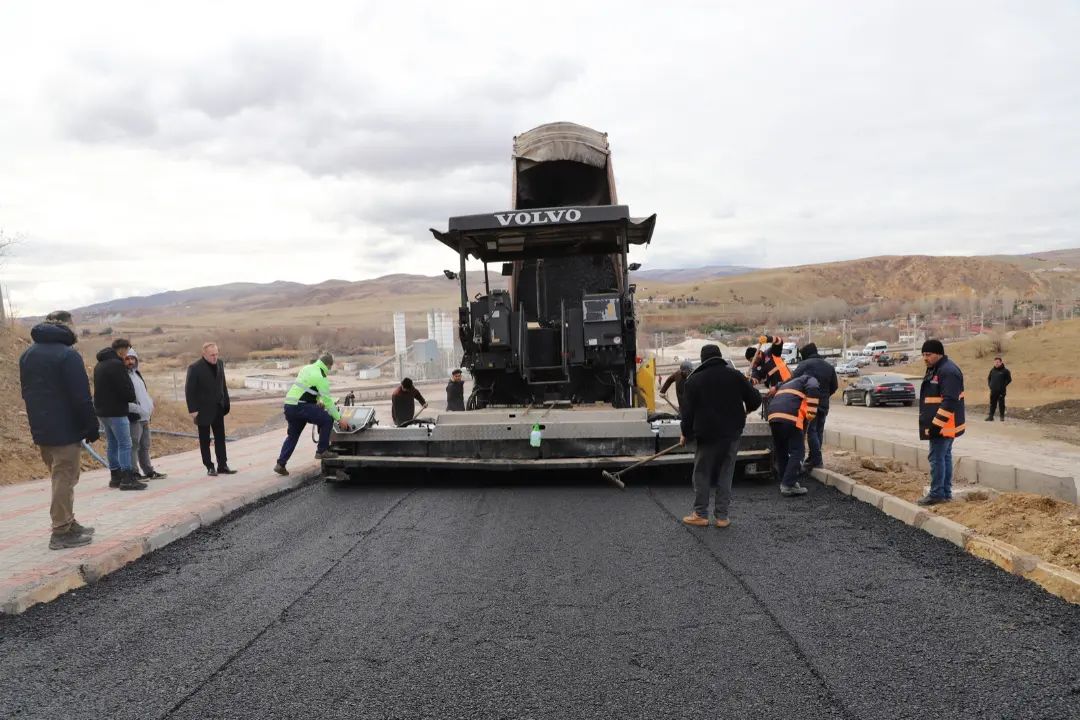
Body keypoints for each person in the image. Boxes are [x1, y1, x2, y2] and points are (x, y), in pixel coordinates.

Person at [19, 311, 100, 549]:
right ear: (67, 327)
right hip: (65, 428)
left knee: (61, 476)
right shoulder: (67, 355)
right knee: (64, 478)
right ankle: (61, 531)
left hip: (42, 428)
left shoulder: (28, 354)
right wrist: (91, 425)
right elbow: (81, 396)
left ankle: (69, 522)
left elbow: (27, 392)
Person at [678, 344, 762, 527]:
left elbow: (687, 413)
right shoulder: (735, 376)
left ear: (702, 360)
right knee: (726, 472)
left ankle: (700, 514)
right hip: (732, 434)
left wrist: (685, 434)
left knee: (702, 473)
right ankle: (722, 517)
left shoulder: (694, 381)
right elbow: (756, 399)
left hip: (706, 435)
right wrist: (747, 409)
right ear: (720, 357)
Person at [274, 351, 351, 476]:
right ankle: (322, 451)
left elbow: (308, 389)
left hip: (290, 406)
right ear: (328, 365)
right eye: (330, 367)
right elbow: (328, 402)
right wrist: (339, 419)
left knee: (292, 436)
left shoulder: (307, 368)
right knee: (327, 419)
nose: (329, 370)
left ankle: (280, 464)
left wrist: (317, 401)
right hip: (301, 406)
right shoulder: (321, 377)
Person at [917, 339, 965, 506]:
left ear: (939, 354)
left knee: (937, 458)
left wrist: (937, 425)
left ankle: (937, 494)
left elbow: (950, 401)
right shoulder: (937, 368)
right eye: (923, 354)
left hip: (943, 425)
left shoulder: (947, 371)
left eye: (928, 354)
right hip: (943, 425)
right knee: (944, 457)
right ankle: (944, 493)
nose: (925, 358)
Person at [94, 338, 146, 491]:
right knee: (125, 444)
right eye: (127, 351)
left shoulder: (100, 365)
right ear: (122, 350)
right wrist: (131, 396)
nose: (127, 354)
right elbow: (125, 390)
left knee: (112, 443)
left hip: (103, 412)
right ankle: (127, 478)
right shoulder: (117, 365)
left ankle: (115, 477)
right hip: (117, 411)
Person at [767, 373, 821, 497]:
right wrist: (812, 412)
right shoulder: (810, 379)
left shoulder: (789, 383)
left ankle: (785, 480)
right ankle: (788, 485)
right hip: (789, 416)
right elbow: (813, 387)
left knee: (781, 450)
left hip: (773, 416)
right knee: (798, 451)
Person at [185, 342, 235, 476]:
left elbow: (223, 385)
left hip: (218, 407)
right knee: (205, 440)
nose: (215, 357)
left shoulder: (220, 364)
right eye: (212, 355)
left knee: (220, 438)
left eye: (216, 354)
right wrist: (192, 409)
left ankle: (222, 465)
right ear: (204, 354)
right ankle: (209, 466)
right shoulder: (195, 368)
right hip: (202, 410)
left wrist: (226, 402)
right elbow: (189, 390)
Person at [792, 342, 839, 471]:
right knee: (818, 431)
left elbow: (792, 381)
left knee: (811, 431)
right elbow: (834, 386)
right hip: (824, 404)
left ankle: (817, 460)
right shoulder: (829, 366)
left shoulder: (804, 365)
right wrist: (824, 396)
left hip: (809, 404)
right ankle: (813, 458)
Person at [124, 349, 166, 480]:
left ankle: (148, 471)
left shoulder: (137, 374)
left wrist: (149, 405)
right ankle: (134, 472)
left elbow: (143, 393)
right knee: (134, 445)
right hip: (134, 416)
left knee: (145, 445)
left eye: (133, 359)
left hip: (145, 416)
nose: (130, 362)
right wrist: (136, 409)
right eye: (127, 359)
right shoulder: (124, 376)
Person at [986, 356, 1012, 421]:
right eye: (995, 362)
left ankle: (1002, 417)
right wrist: (990, 385)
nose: (996, 363)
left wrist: (1003, 385)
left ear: (1001, 362)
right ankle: (991, 417)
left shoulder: (1005, 371)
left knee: (1001, 404)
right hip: (993, 391)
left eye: (998, 362)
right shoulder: (992, 370)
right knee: (992, 404)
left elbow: (1009, 379)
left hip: (1001, 391)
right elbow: (989, 378)